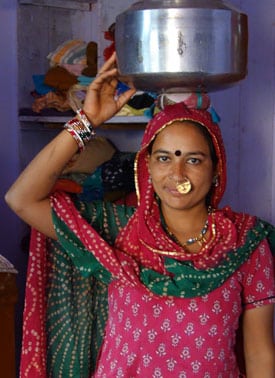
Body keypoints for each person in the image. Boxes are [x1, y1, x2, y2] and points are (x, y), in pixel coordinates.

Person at [5, 52, 275, 378]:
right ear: (146, 167)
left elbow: (259, 352)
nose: (177, 173)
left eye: (194, 160)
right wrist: (87, 119)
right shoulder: (118, 229)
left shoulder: (244, 242)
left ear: (217, 169)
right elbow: (21, 198)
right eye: (163, 158)